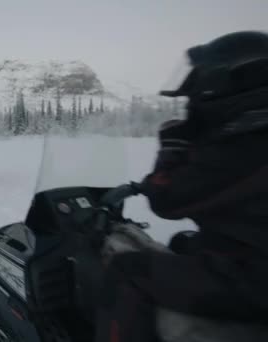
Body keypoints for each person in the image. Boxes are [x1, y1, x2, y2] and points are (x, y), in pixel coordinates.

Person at [95, 31, 268, 342]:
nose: (193, 100)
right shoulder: (250, 131)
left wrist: (172, 148)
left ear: (226, 84)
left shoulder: (242, 144)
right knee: (184, 243)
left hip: (254, 280)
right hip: (250, 258)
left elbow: (167, 199)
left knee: (127, 270)